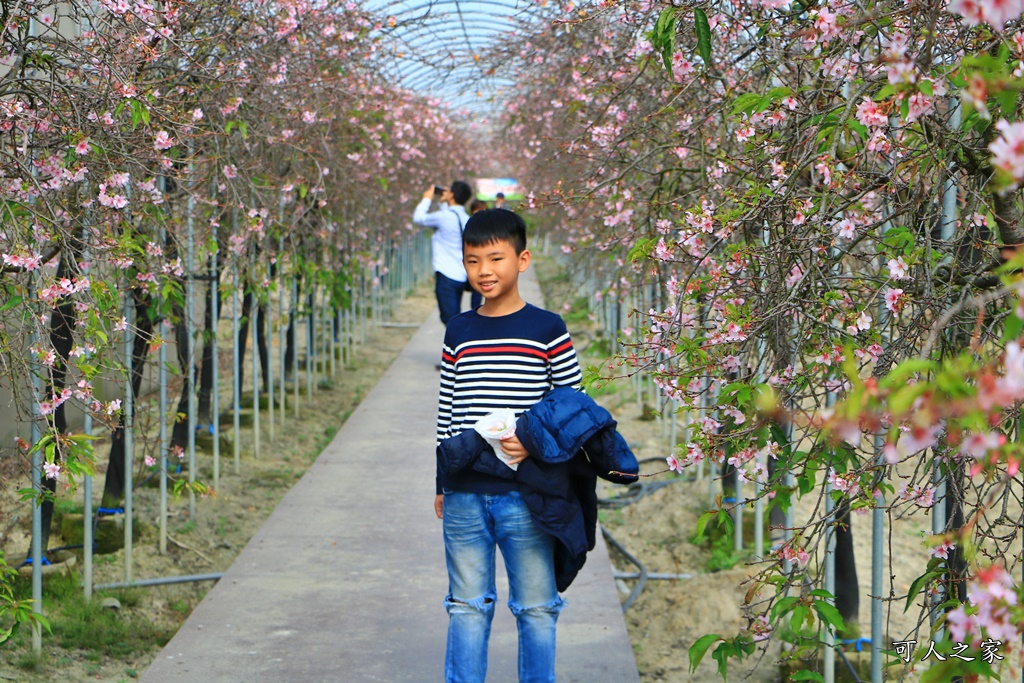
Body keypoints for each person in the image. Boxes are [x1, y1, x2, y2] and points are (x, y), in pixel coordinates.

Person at [432, 209, 582, 683]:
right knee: (466, 607)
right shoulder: (458, 330)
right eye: (473, 261)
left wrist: (534, 444)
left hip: (526, 494)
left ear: (523, 260)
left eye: (496, 258)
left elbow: (573, 409)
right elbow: (447, 412)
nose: (485, 271)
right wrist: (442, 481)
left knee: (536, 608)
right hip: (464, 494)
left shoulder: (548, 328)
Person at [413, 180, 482, 325]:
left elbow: (418, 219)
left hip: (446, 275)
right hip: (462, 275)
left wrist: (427, 198)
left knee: (451, 321)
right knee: (455, 318)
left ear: (451, 194)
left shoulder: (443, 217)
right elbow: (450, 213)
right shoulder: (467, 219)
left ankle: (460, 346)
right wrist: (445, 200)